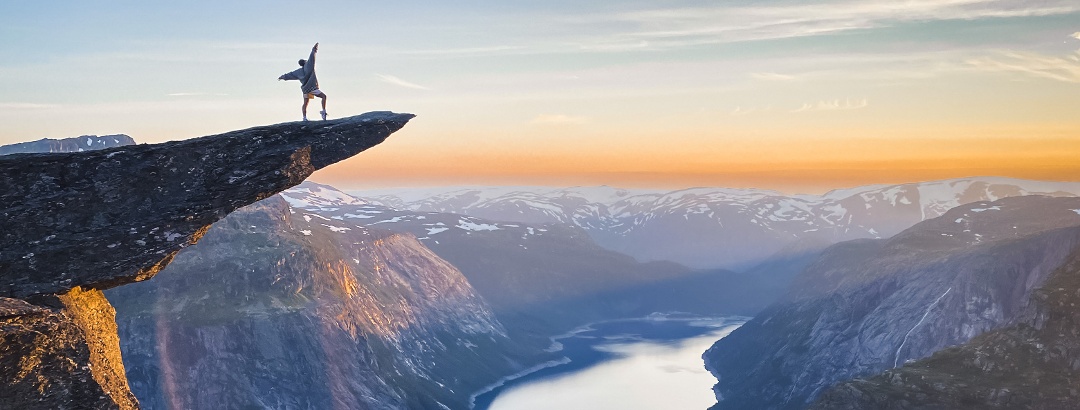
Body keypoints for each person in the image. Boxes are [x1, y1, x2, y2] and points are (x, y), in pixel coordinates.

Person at [278, 42, 327, 121]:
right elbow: (312, 57)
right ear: (305, 62)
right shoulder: (309, 66)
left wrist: (283, 77)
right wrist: (314, 49)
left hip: (305, 89)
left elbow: (290, 75)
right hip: (312, 88)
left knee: (305, 103)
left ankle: (304, 117)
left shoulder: (298, 72)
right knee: (324, 97)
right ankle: (323, 112)